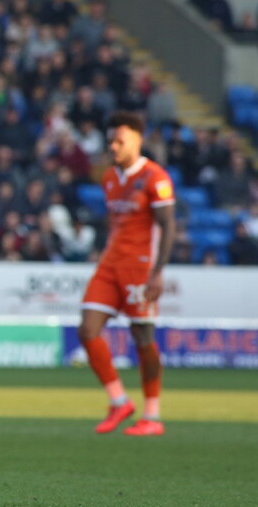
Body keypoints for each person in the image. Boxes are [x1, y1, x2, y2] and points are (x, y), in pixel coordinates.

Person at [78, 111, 175, 437]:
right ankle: (119, 401)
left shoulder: (155, 177)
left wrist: (157, 272)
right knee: (87, 329)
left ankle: (153, 415)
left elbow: (168, 226)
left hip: (140, 266)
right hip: (110, 264)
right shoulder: (109, 178)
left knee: (142, 337)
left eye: (120, 141)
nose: (113, 147)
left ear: (137, 140)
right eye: (111, 141)